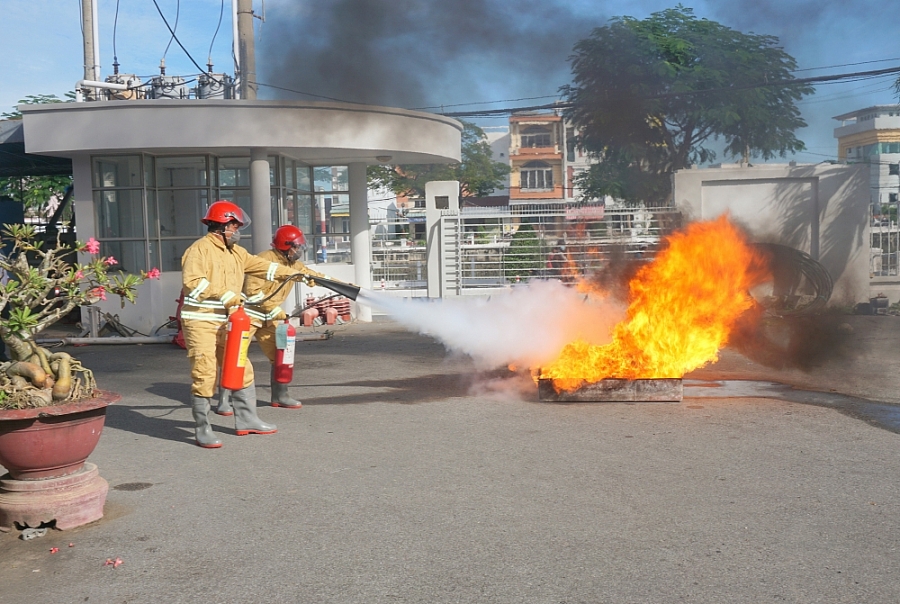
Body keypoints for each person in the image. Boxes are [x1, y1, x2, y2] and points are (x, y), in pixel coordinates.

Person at [180, 200, 299, 449]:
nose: (238, 231)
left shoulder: (236, 253)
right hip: (201, 321)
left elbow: (262, 267)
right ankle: (202, 429)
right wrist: (223, 294)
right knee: (205, 373)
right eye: (235, 226)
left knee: (241, 367)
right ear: (223, 225)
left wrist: (294, 273)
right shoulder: (199, 250)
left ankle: (247, 419)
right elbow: (194, 281)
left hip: (229, 322)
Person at [216, 225, 323, 415]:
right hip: (247, 315)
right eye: (297, 247)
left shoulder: (293, 264)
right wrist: (274, 310)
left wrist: (340, 285)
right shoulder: (264, 259)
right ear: (285, 246)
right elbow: (252, 292)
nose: (299, 251)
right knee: (233, 355)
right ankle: (224, 400)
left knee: (280, 354)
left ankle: (280, 395)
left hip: (270, 318)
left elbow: (310, 274)